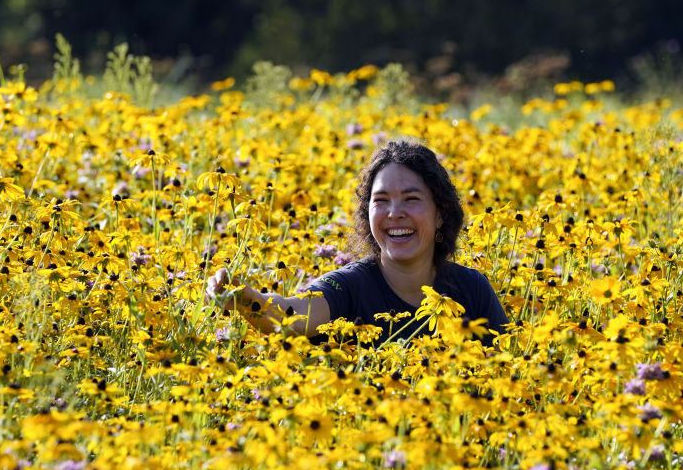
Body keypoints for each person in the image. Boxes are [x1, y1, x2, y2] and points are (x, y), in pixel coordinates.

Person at [206, 139, 508, 346]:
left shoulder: (471, 290)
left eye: (411, 199)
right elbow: (293, 315)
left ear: (440, 213)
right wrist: (244, 296)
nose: (394, 213)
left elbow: (506, 372)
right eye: (381, 201)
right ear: (367, 214)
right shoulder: (348, 287)